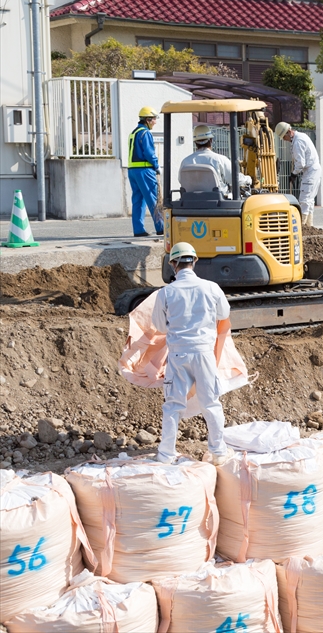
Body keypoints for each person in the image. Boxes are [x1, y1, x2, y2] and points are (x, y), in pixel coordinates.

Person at [152, 242, 232, 466]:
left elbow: (159, 325)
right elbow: (223, 313)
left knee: (173, 405)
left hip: (178, 354)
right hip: (204, 354)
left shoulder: (166, 293)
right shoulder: (211, 288)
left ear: (173, 264)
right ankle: (218, 452)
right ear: (194, 261)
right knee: (211, 403)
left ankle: (166, 454)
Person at [128, 106, 164, 237]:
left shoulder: (134, 133)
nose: (155, 122)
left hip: (132, 171)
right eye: (154, 119)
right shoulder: (146, 133)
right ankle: (161, 228)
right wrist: (156, 165)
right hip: (144, 170)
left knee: (138, 200)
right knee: (153, 199)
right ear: (148, 120)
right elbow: (149, 153)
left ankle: (138, 230)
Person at [275, 122, 321, 226]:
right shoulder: (300, 137)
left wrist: (293, 174)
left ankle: (302, 226)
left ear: (288, 132)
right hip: (313, 171)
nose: (283, 139)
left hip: (310, 172)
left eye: (284, 137)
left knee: (304, 200)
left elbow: (300, 163)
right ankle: (309, 226)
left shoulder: (298, 142)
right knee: (309, 200)